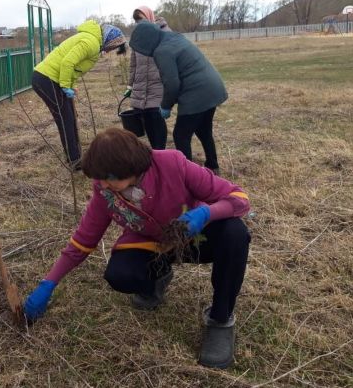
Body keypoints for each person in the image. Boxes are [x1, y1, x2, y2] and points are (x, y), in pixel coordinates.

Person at [23, 128, 250, 369]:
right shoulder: (105, 190)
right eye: (99, 178)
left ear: (131, 167)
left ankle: (220, 318)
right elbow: (84, 240)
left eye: (109, 177)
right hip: (151, 243)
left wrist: (206, 213)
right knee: (120, 275)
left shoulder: (172, 164)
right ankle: (158, 276)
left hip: (193, 234)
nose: (103, 184)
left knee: (235, 234)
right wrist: (49, 283)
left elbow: (238, 197)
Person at [130, 21, 227, 174]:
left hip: (197, 93)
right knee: (204, 130)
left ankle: (188, 175)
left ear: (146, 41)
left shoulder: (162, 51)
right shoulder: (174, 38)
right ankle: (212, 166)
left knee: (180, 135)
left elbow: (172, 83)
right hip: (213, 88)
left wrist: (166, 106)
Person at [32, 20, 126, 168]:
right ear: (108, 39)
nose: (111, 50)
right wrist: (64, 86)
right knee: (66, 119)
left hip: (51, 79)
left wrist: (71, 85)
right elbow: (67, 63)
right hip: (46, 79)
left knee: (70, 116)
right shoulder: (91, 43)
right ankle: (75, 160)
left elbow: (74, 68)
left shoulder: (93, 43)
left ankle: (75, 154)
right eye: (113, 46)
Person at [122, 6, 172, 149]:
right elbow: (133, 64)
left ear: (149, 17)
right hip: (140, 87)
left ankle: (161, 151)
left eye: (141, 19)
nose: (139, 23)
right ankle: (155, 152)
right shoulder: (138, 36)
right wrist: (130, 86)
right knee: (146, 121)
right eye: (137, 21)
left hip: (157, 87)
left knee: (157, 120)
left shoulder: (164, 32)